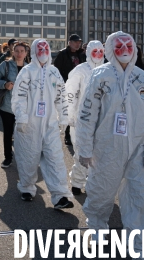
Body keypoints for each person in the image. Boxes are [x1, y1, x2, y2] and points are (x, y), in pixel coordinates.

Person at [75, 31, 144, 258]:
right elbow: (86, 115)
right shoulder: (100, 76)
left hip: (138, 148)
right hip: (106, 148)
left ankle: (139, 246)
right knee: (100, 192)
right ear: (110, 49)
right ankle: (96, 227)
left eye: (129, 44)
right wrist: (84, 149)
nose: (124, 49)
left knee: (139, 197)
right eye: (119, 45)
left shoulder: (142, 78)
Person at [11, 39, 74, 209]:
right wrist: (21, 117)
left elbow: (61, 95)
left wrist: (64, 117)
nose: (43, 51)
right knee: (28, 158)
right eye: (40, 48)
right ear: (33, 51)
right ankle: (26, 187)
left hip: (50, 124)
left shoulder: (54, 72)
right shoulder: (27, 71)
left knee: (55, 159)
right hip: (30, 124)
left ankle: (60, 195)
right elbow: (19, 96)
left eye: (46, 48)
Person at [64, 40, 105, 195]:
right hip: (81, 120)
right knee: (81, 152)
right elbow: (70, 94)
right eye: (95, 51)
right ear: (88, 52)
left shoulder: (108, 71)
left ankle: (91, 183)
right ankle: (77, 182)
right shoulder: (80, 71)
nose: (98, 55)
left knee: (97, 155)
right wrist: (71, 116)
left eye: (100, 52)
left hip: (101, 121)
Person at [0, 41, 28, 168]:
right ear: (13, 51)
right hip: (7, 105)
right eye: (16, 51)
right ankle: (8, 157)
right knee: (8, 132)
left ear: (26, 53)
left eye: (22, 51)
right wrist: (5, 85)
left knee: (22, 133)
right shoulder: (6, 65)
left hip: (24, 107)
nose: (19, 53)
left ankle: (22, 157)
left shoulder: (29, 68)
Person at [54, 34, 86, 145]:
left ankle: (77, 133)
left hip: (80, 86)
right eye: (76, 42)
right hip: (67, 85)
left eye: (79, 42)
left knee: (78, 110)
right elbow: (56, 70)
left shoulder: (82, 54)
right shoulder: (62, 54)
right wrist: (63, 84)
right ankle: (67, 135)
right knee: (68, 109)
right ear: (70, 42)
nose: (78, 44)